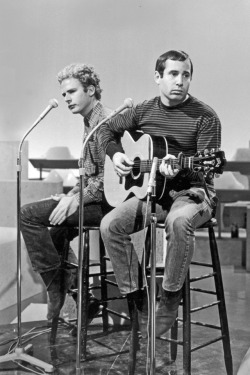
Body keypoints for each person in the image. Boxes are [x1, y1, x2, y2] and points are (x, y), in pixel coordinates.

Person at [99, 50, 221, 338]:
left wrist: (177, 169)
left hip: (193, 193)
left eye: (186, 75)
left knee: (179, 222)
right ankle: (137, 301)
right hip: (153, 193)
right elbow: (106, 131)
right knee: (110, 225)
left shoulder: (205, 117)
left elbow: (208, 171)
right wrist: (116, 156)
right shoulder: (143, 110)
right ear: (158, 77)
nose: (180, 81)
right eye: (173, 74)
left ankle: (168, 300)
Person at [21, 63, 112, 325]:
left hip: (109, 205)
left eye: (72, 91)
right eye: (63, 95)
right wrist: (69, 195)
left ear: (91, 90)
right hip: (93, 198)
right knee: (57, 232)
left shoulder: (104, 123)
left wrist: (76, 199)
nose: (67, 99)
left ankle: (57, 285)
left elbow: (110, 181)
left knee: (28, 214)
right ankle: (82, 298)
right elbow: (88, 175)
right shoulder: (88, 122)